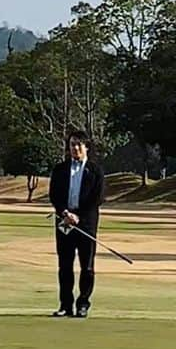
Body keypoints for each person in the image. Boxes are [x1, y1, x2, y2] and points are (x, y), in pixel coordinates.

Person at [48, 131, 105, 318]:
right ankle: (66, 304)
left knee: (86, 266)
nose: (75, 148)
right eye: (72, 144)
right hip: (64, 221)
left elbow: (97, 198)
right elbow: (54, 195)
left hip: (86, 223)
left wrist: (78, 216)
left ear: (86, 147)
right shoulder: (60, 169)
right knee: (65, 265)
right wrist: (65, 213)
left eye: (79, 144)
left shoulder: (95, 170)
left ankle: (83, 303)